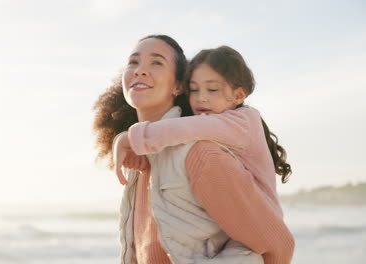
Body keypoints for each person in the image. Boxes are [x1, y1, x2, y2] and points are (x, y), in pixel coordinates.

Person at [93, 35, 294, 264]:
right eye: (133, 62)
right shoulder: (138, 157)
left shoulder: (199, 154)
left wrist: (131, 137)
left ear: (179, 86)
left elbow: (279, 245)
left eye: (156, 62)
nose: (140, 71)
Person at [113, 46, 291, 218]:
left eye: (212, 89)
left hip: (259, 227)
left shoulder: (244, 121)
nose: (201, 98)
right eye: (194, 90)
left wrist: (129, 138)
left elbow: (185, 128)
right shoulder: (219, 129)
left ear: (238, 96)